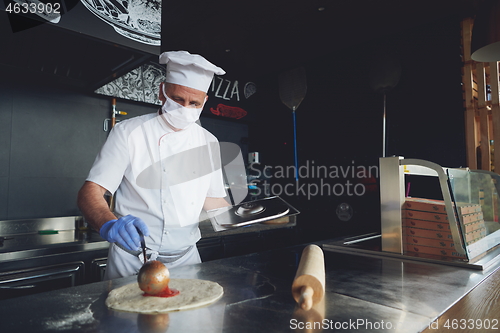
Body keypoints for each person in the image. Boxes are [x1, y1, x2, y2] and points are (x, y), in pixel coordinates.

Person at [77, 51, 230, 280]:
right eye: (178, 99)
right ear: (162, 92)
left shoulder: (209, 142)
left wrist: (244, 216)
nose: (184, 108)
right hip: (132, 261)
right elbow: (90, 191)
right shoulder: (128, 132)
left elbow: (214, 200)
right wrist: (109, 224)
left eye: (194, 103)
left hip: (187, 261)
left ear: (204, 102)